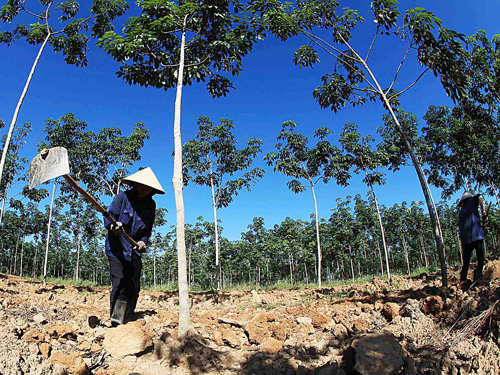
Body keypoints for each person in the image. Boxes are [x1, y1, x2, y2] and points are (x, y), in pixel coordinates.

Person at [104, 167, 165, 326]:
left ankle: (128, 316)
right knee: (119, 282)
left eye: (149, 187)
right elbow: (109, 217)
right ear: (136, 184)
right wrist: (114, 227)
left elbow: (147, 230)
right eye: (143, 186)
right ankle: (116, 319)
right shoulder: (121, 198)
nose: (146, 189)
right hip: (116, 249)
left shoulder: (151, 205)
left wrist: (143, 241)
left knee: (134, 283)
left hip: (134, 251)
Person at [457, 191, 487, 286]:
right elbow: (481, 197)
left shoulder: (461, 212)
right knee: (481, 259)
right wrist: (483, 211)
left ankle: (463, 281)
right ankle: (477, 279)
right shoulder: (472, 201)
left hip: (466, 241)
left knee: (466, 263)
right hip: (477, 236)